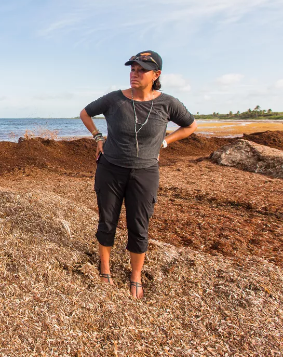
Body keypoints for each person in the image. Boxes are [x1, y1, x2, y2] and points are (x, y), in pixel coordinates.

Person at [79, 50, 197, 299]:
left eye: (142, 69)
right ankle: (105, 269)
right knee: (107, 221)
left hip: (145, 172)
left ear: (156, 75)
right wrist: (98, 137)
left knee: (139, 226)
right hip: (110, 169)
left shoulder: (167, 103)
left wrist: (165, 142)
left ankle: (135, 276)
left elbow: (190, 126)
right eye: (133, 68)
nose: (135, 73)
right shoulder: (114, 99)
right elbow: (85, 113)